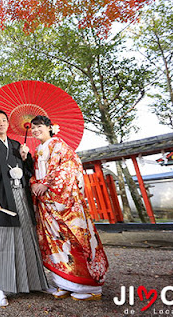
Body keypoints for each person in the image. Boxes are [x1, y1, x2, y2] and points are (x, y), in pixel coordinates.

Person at [20, 115, 109, 301]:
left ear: (50, 127)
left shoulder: (59, 144)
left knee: (73, 239)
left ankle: (89, 288)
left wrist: (47, 183)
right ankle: (64, 283)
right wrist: (33, 176)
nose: (36, 130)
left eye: (39, 126)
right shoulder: (38, 150)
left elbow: (70, 167)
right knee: (55, 244)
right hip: (46, 204)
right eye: (33, 127)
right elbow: (34, 173)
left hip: (63, 202)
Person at [0, 109, 49, 307]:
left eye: (4, 121)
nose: (1, 124)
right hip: (1, 199)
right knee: (4, 240)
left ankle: (33, 282)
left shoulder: (17, 146)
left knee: (27, 236)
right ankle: (0, 289)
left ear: (8, 124)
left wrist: (26, 158)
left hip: (21, 197)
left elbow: (28, 172)